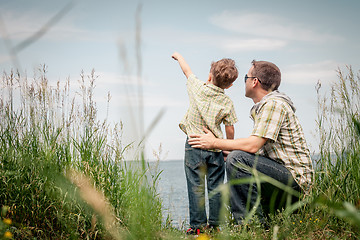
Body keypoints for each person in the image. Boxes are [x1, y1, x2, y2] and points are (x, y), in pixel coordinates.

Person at [188, 60, 314, 226]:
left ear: (255, 81)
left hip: (296, 184)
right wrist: (224, 148)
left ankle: (250, 226)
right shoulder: (267, 106)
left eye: (246, 77)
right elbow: (258, 151)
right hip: (284, 179)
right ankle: (261, 221)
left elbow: (253, 145)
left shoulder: (274, 104)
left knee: (237, 159)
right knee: (236, 158)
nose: (244, 81)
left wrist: (214, 142)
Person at [171, 52, 239, 234]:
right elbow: (230, 127)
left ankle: (198, 227)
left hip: (193, 145)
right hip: (215, 147)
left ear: (210, 75)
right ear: (230, 85)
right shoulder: (227, 101)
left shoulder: (198, 88)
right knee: (216, 186)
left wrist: (178, 56)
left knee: (195, 186)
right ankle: (216, 226)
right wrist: (227, 146)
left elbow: (187, 71)